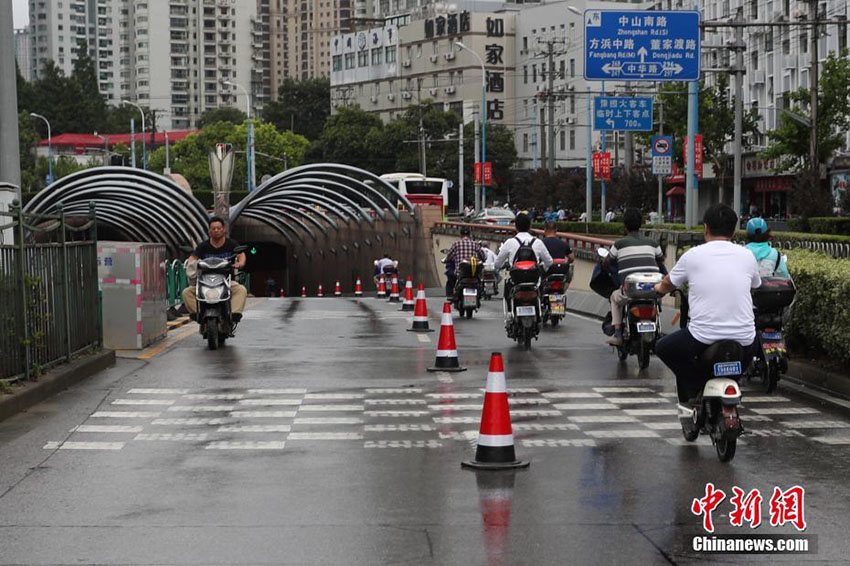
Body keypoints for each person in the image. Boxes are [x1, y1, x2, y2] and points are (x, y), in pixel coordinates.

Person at [653, 204, 761, 407]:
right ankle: (733, 384)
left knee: (663, 347)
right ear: (734, 230)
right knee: (754, 343)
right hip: (744, 338)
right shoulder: (747, 255)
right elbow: (756, 285)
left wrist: (658, 289)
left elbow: (668, 283)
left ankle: (697, 387)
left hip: (703, 336)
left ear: (705, 228)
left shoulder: (693, 255)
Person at [604, 208, 665, 346]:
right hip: (653, 290)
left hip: (630, 292)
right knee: (656, 301)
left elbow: (608, 261)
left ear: (625, 225)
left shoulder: (619, 244)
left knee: (614, 297)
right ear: (641, 224)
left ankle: (618, 333)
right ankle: (658, 329)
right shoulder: (653, 243)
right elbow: (661, 259)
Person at [182, 216, 247, 322]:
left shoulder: (231, 244)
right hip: (204, 282)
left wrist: (240, 263)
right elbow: (193, 257)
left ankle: (234, 314)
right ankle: (197, 313)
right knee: (187, 292)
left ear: (224, 229)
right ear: (209, 231)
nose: (216, 230)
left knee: (241, 290)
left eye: (219, 228)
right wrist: (191, 264)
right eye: (213, 228)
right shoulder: (203, 246)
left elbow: (241, 255)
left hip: (226, 281)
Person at [493, 213, 554, 312]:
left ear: (515, 226)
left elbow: (497, 264)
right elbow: (549, 262)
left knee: (507, 285)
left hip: (516, 280)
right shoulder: (538, 242)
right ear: (530, 226)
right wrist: (543, 268)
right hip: (534, 280)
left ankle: (509, 313)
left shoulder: (510, 242)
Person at [445, 226, 487, 297]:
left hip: (460, 273)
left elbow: (449, 256)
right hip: (474, 273)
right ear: (469, 234)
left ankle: (450, 296)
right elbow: (483, 256)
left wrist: (446, 260)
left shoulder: (456, 244)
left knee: (450, 279)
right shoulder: (475, 244)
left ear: (460, 235)